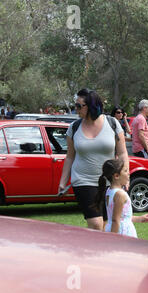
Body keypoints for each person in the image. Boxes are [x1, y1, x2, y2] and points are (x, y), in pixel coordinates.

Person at [58, 89, 128, 231]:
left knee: (108, 224)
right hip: (83, 180)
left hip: (110, 181)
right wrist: (63, 181)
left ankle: (97, 251)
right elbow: (70, 156)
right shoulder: (74, 127)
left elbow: (122, 154)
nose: (75, 109)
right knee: (96, 223)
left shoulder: (112, 123)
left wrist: (125, 177)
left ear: (91, 106)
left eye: (79, 106)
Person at [93, 159, 148, 238]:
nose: (128, 173)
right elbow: (116, 220)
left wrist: (139, 219)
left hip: (114, 229)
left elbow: (123, 218)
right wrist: (113, 239)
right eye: (125, 171)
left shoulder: (109, 191)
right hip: (122, 233)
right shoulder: (120, 195)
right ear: (116, 176)